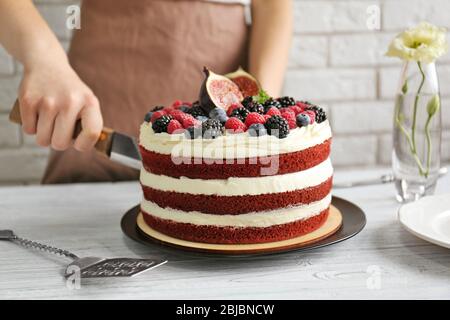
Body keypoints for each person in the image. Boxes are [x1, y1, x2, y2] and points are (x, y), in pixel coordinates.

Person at [0, 0, 293, 183]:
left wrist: (261, 110)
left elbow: (272, 4)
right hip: (105, 69)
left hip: (218, 51)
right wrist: (44, 59)